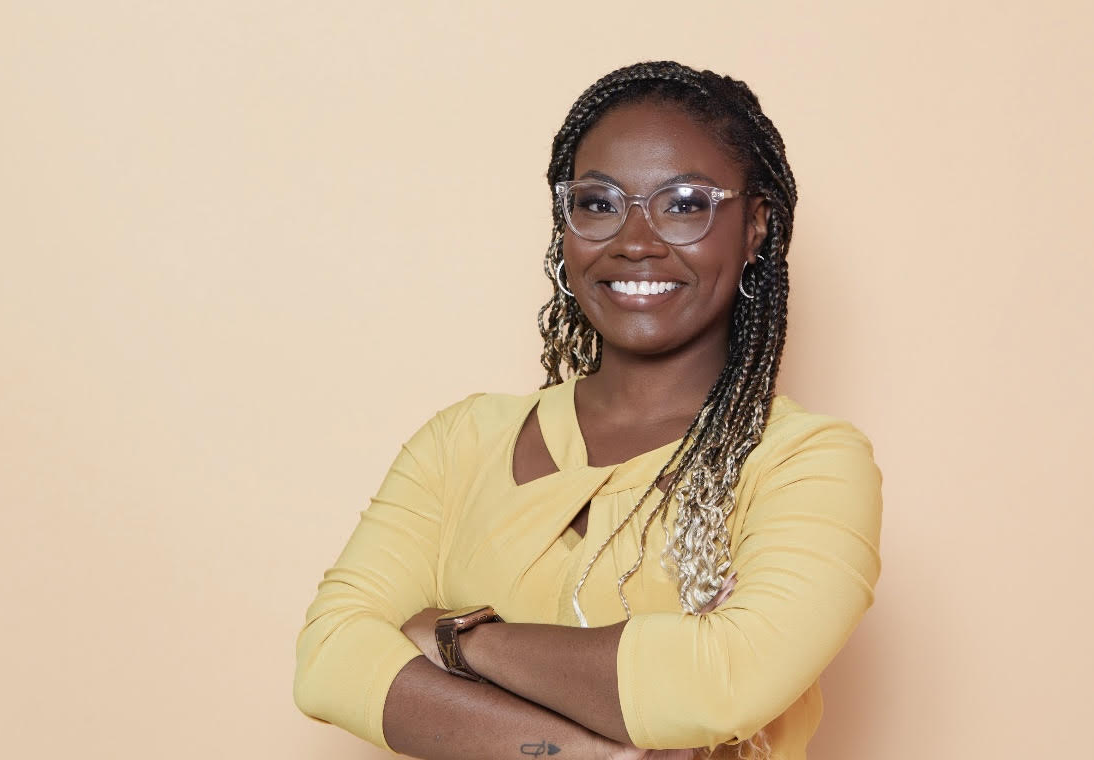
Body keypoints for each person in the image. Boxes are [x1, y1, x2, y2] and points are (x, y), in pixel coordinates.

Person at [293, 60, 883, 760]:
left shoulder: (806, 462)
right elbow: (329, 659)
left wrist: (461, 640)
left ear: (756, 226)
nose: (635, 241)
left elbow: (721, 684)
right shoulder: (463, 441)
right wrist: (591, 753)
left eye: (685, 202)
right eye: (599, 203)